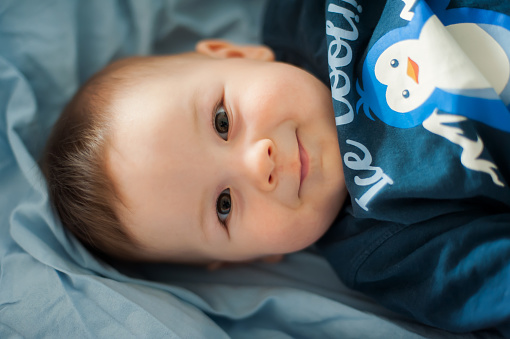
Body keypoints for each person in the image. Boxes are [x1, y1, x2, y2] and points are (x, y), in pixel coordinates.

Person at [41, 39, 348, 265]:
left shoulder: (323, 16)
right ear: (246, 258)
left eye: (222, 121)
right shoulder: (381, 261)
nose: (257, 164)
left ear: (236, 54)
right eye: (223, 206)